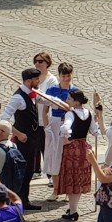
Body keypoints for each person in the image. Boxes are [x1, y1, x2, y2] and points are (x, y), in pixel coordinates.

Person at [55, 91, 102, 221]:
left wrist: (66, 135)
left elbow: (66, 128)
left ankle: (74, 211)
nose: (67, 99)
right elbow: (94, 131)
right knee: (79, 178)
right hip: (84, 148)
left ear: (76, 102)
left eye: (69, 98)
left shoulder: (70, 113)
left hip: (72, 149)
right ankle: (72, 207)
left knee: (72, 179)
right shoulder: (89, 114)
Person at [2, 68, 44, 210]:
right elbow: (4, 119)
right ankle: (18, 199)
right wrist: (18, 133)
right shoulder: (18, 98)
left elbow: (46, 100)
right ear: (28, 81)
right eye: (37, 80)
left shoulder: (33, 94)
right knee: (23, 170)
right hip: (23, 140)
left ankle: (24, 199)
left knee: (31, 170)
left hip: (34, 138)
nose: (39, 81)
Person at [40, 62, 78, 195]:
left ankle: (68, 190)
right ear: (59, 76)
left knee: (69, 159)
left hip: (70, 125)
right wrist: (46, 127)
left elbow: (78, 112)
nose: (67, 79)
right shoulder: (52, 90)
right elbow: (45, 111)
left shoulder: (75, 91)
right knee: (55, 157)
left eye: (69, 76)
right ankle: (56, 190)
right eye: (64, 76)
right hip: (55, 124)